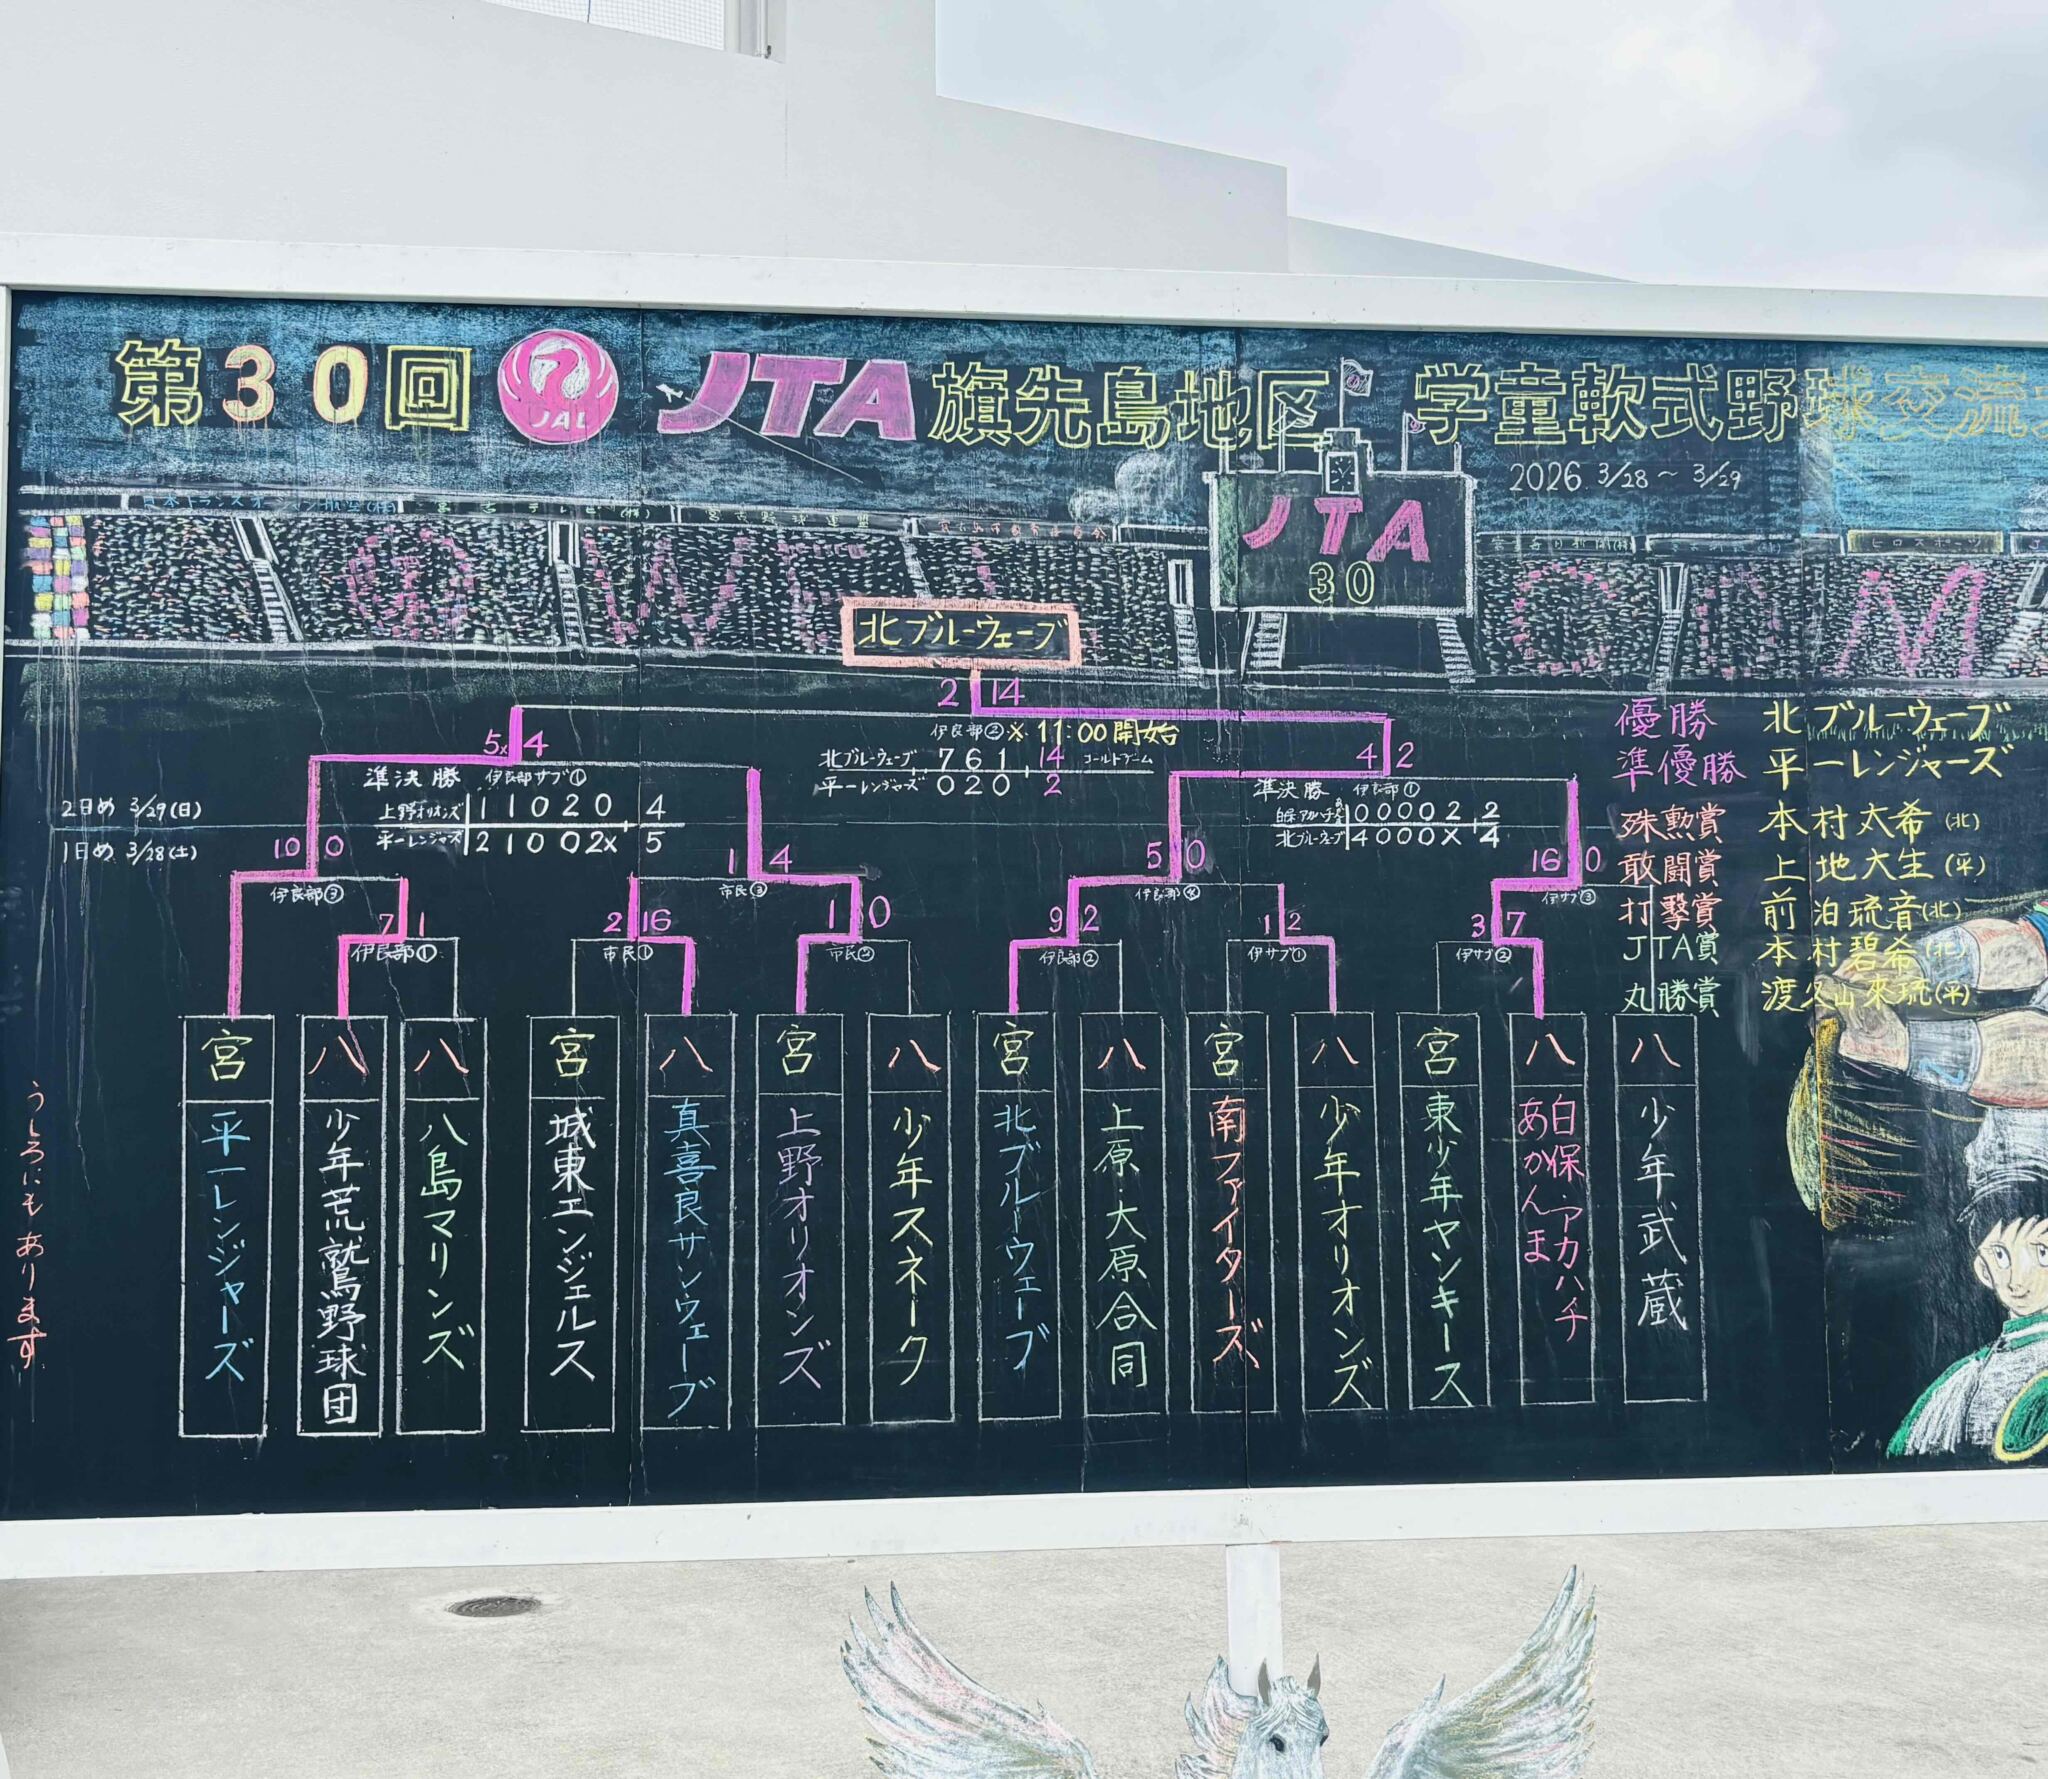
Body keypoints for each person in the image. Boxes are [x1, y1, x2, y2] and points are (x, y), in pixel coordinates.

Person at [1888, 1209, 2048, 1462]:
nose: (2018, 1280)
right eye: (2001, 1255)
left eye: (2042, 1253)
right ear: (1982, 1268)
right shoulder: (1963, 1375)